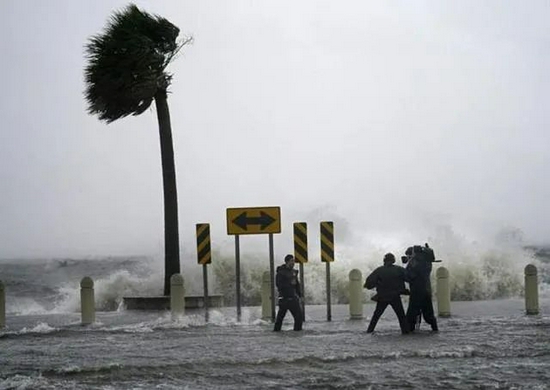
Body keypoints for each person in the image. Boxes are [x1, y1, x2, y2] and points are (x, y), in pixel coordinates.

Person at [364, 253, 410, 334]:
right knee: (401, 316)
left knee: (376, 316)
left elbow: (369, 283)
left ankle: (369, 331)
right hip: (395, 296)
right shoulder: (399, 269)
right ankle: (405, 332)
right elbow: (410, 278)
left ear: (384, 260)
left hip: (382, 296)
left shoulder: (379, 270)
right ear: (393, 260)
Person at [403, 244, 438, 332]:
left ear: (412, 253)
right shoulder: (427, 262)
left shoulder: (414, 262)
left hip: (416, 291)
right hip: (426, 290)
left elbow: (408, 276)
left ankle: (410, 330)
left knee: (412, 314)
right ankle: (435, 329)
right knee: (429, 313)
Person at [273, 254, 303, 331]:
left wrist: (300, 295)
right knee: (280, 319)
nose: (293, 263)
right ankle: (276, 332)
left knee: (299, 317)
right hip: (284, 299)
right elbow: (279, 285)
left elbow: (297, 285)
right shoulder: (281, 272)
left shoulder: (294, 272)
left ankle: (297, 332)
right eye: (291, 261)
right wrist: (289, 283)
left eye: (294, 261)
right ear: (287, 262)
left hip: (293, 298)